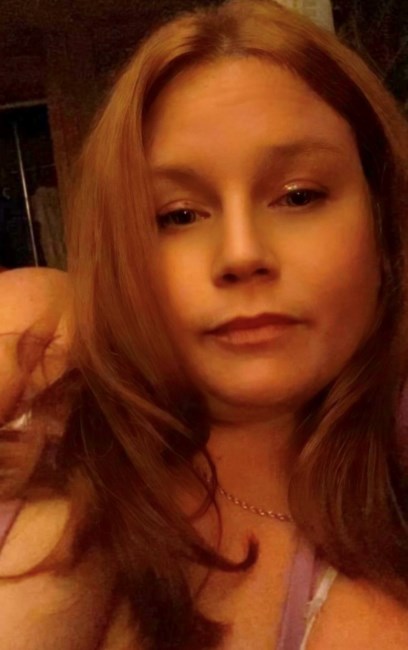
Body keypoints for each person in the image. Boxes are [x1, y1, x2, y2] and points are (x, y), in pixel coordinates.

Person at [0, 0, 408, 647]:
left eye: (298, 196)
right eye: (178, 215)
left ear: (383, 222)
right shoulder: (29, 366)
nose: (242, 254)